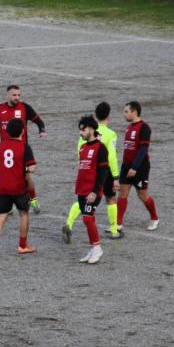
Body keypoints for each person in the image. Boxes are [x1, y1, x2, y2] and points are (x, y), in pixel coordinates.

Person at [0, 85, 47, 212]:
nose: (17, 97)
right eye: (14, 95)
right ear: (7, 95)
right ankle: (8, 202)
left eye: (19, 95)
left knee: (26, 176)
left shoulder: (25, 107)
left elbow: (39, 121)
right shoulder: (0, 108)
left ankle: (33, 199)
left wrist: (42, 131)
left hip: (21, 149)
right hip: (4, 148)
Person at [64, 102, 121, 242]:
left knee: (83, 199)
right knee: (110, 198)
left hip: (87, 171)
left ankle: (69, 223)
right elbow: (111, 157)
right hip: (104, 171)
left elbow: (80, 152)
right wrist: (115, 176)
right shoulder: (110, 134)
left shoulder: (84, 133)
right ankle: (114, 230)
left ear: (95, 115)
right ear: (109, 115)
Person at [0, 118, 37, 259]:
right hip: (18, 187)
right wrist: (25, 170)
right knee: (24, 214)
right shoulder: (24, 147)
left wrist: (3, 175)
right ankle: (22, 246)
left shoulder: (1, 145)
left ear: (7, 132)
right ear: (22, 131)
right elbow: (32, 168)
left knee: (1, 216)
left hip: (2, 186)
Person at [117, 100, 160, 232]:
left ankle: (154, 218)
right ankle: (117, 224)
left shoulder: (144, 127)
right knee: (122, 193)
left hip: (140, 167)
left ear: (134, 112)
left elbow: (143, 149)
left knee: (142, 194)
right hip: (126, 166)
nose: (124, 114)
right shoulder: (129, 127)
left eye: (126, 111)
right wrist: (127, 166)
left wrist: (134, 167)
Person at [74, 115, 110, 264]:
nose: (81, 133)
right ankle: (93, 248)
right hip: (81, 190)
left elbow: (103, 172)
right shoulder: (83, 147)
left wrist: (95, 191)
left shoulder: (101, 148)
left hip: (92, 191)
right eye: (80, 130)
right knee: (89, 220)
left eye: (83, 130)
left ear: (90, 129)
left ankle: (97, 248)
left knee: (87, 218)